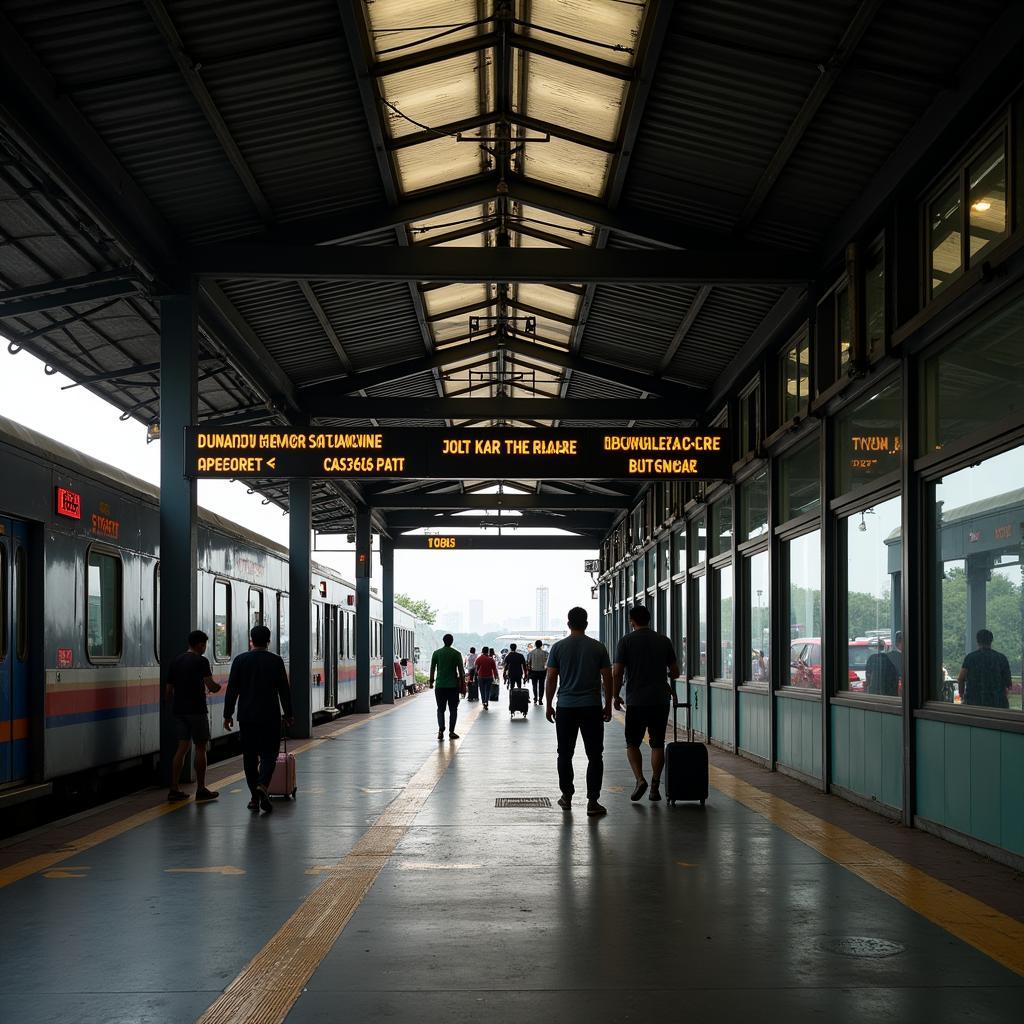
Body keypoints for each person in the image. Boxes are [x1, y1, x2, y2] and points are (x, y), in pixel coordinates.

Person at [545, 607, 613, 817]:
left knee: (564, 753)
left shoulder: (558, 648)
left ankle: (567, 797)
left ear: (568, 624)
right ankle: (593, 801)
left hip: (565, 707)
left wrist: (548, 704)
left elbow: (551, 678)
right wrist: (608, 704)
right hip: (591, 707)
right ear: (586, 623)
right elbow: (607, 677)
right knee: (595, 755)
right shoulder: (597, 647)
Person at [223, 625, 294, 813]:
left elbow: (232, 690)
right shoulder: (275, 661)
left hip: (246, 717)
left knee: (249, 757)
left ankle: (254, 798)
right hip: (270, 716)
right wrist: (289, 714)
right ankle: (262, 785)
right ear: (269, 640)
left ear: (251, 640)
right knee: (269, 755)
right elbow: (284, 691)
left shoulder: (240, 660)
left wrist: (227, 714)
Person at [612, 605, 680, 802]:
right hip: (660, 700)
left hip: (636, 701)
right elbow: (675, 672)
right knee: (657, 743)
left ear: (632, 621)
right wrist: (660, 674)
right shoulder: (663, 641)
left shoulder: (625, 641)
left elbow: (617, 672)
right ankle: (655, 785)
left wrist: (615, 696)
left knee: (632, 743)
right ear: (649, 620)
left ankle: (640, 779)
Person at [165, 629, 222, 803]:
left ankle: (174, 789)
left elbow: (168, 691)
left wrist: (175, 705)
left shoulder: (176, 661)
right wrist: (217, 687)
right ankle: (201, 788)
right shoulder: (201, 661)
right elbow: (210, 685)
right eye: (204, 644)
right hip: (197, 710)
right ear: (200, 644)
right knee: (200, 747)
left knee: (181, 749)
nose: (205, 648)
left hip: (179, 710)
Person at [958, 629, 1011, 708]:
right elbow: (1008, 683)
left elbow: (961, 678)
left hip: (974, 703)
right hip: (998, 704)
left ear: (977, 641)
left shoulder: (970, 658)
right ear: (991, 640)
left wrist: (962, 696)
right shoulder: (1001, 658)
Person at [429, 634, 466, 739]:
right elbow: (461, 672)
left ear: (443, 641)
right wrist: (463, 686)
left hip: (440, 686)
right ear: (452, 641)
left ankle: (441, 730)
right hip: (453, 686)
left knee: (440, 709)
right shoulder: (456, 654)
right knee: (453, 709)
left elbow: (432, 669)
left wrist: (431, 682)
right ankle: (451, 732)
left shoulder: (436, 653)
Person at [528, 639, 547, 705]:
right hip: (542, 671)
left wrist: (529, 671)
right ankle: (540, 700)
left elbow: (529, 663)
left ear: (535, 645)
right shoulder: (545, 653)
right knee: (541, 686)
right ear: (541, 645)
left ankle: (535, 698)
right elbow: (547, 663)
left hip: (534, 671)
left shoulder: (531, 652)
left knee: (534, 686)